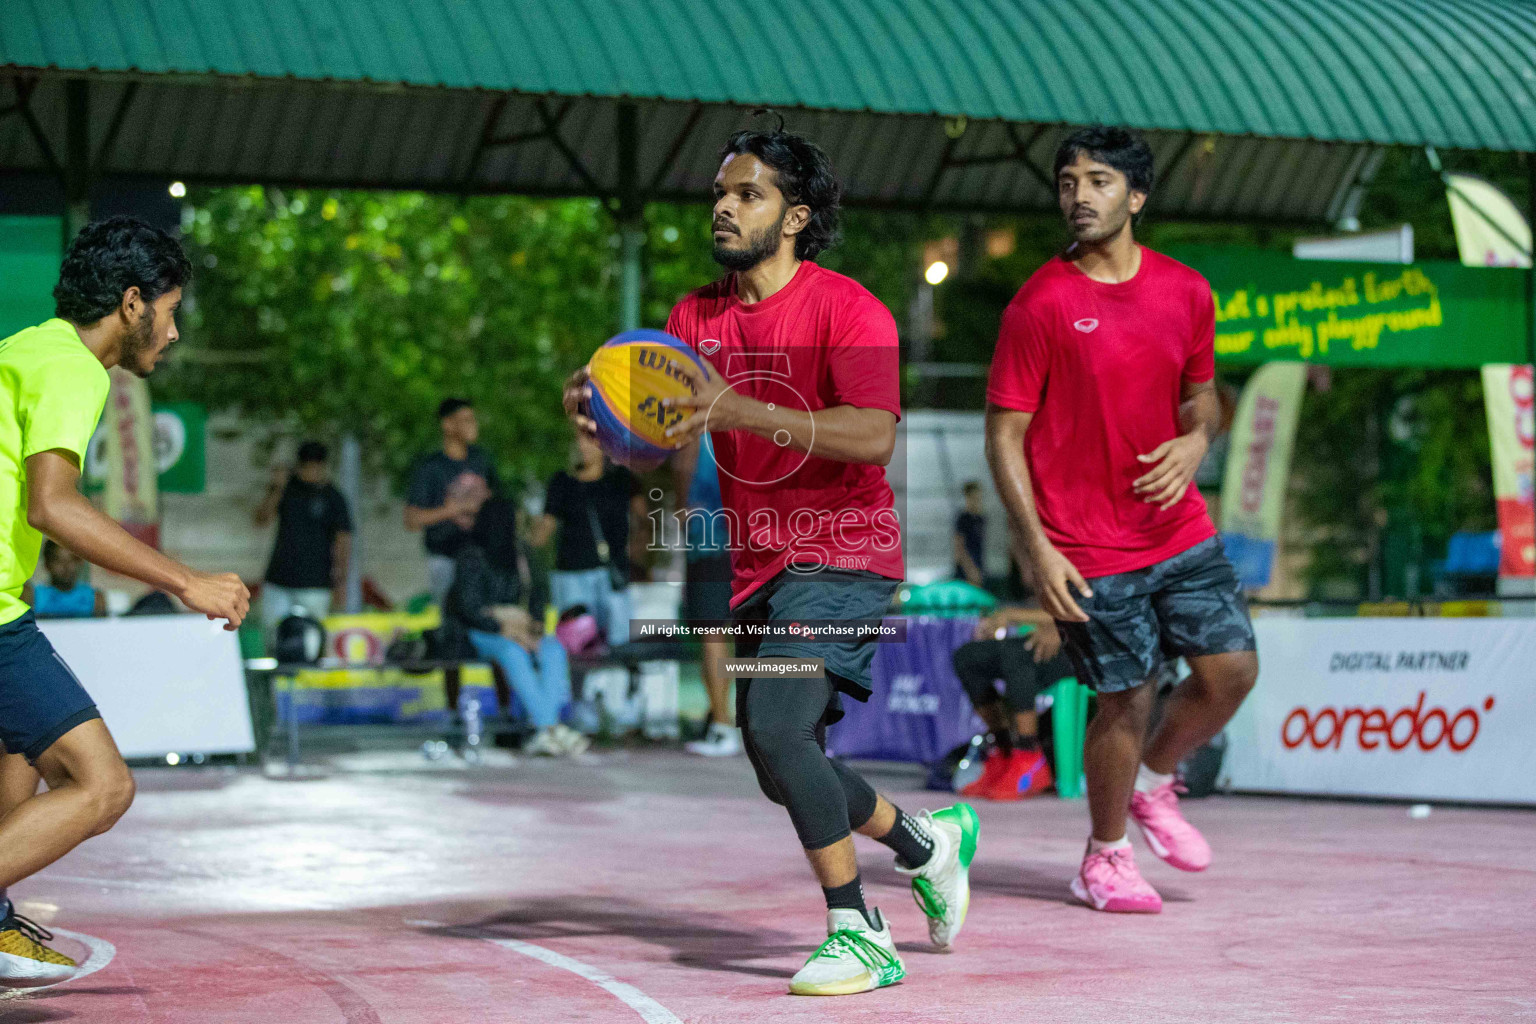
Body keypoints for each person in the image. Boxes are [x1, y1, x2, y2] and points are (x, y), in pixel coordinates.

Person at [564, 116, 978, 997]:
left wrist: (742, 411)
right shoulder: (693, 316)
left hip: (844, 552)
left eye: (746, 193)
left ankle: (859, 930)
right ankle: (927, 843)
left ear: (793, 216)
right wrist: (606, 414)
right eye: (719, 192)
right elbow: (660, 440)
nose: (723, 206)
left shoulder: (848, 309)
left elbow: (871, 438)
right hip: (758, 561)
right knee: (776, 762)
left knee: (777, 730)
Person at [985, 127, 1259, 915]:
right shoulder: (1039, 303)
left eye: (1098, 181)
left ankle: (1152, 783)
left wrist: (1198, 436)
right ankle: (1103, 860)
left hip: (1177, 527)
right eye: (1068, 181)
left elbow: (1202, 394)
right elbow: (1003, 433)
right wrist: (1037, 549)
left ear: (1136, 197)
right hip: (1084, 543)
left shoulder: (1187, 291)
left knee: (1231, 671)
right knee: (1126, 695)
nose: (1079, 195)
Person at [0, 217, 248, 985]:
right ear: (133, 304)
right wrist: (186, 581)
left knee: (20, 751)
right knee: (102, 785)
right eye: (171, 312)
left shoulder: (25, 348)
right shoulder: (75, 368)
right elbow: (52, 504)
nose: (173, 334)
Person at [443, 498, 584, 757]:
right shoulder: (471, 555)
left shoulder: (522, 555)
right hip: (480, 634)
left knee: (553, 649)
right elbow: (470, 609)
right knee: (512, 652)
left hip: (519, 631)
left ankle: (546, 731)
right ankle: (550, 727)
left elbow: (538, 599)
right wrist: (506, 629)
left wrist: (535, 631)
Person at [531, 429, 642, 647]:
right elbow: (545, 530)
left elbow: (644, 519)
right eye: (579, 440)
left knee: (618, 642)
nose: (583, 446)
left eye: (590, 440)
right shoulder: (562, 483)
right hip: (571, 576)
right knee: (576, 643)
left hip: (612, 575)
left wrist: (637, 551)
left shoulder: (620, 479)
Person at [951, 602, 1070, 799]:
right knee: (968, 657)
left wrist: (1011, 614)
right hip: (1056, 628)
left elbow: (1084, 607)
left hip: (1086, 644)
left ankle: (1028, 755)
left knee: (1016, 655)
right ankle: (1005, 751)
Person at [672, 435, 739, 756]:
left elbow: (684, 480)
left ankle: (723, 727)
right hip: (742, 541)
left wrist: (681, 509)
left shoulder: (696, 434)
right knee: (727, 635)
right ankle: (724, 719)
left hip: (709, 542)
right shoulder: (745, 421)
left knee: (712, 635)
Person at [404, 398, 498, 607]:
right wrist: (451, 510)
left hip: (482, 557)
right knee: (449, 618)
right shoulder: (431, 468)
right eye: (465, 420)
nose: (473, 425)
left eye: (473, 419)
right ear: (447, 424)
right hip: (445, 558)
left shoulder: (482, 460)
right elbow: (411, 520)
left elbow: (499, 503)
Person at [253, 440, 352, 634]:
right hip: (279, 579)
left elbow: (343, 540)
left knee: (311, 638)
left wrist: (341, 580)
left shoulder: (333, 497)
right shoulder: (287, 490)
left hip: (315, 582)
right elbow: (261, 520)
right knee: (274, 635)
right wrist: (277, 488)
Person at [23, 541, 105, 619]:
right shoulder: (32, 596)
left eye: (71, 560)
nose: (66, 567)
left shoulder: (96, 598)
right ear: (47, 564)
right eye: (59, 561)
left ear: (80, 562)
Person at [953, 481, 986, 588]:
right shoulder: (963, 519)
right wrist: (970, 570)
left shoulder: (980, 519)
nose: (977, 501)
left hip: (978, 566)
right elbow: (959, 548)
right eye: (974, 498)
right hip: (965, 570)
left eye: (979, 498)